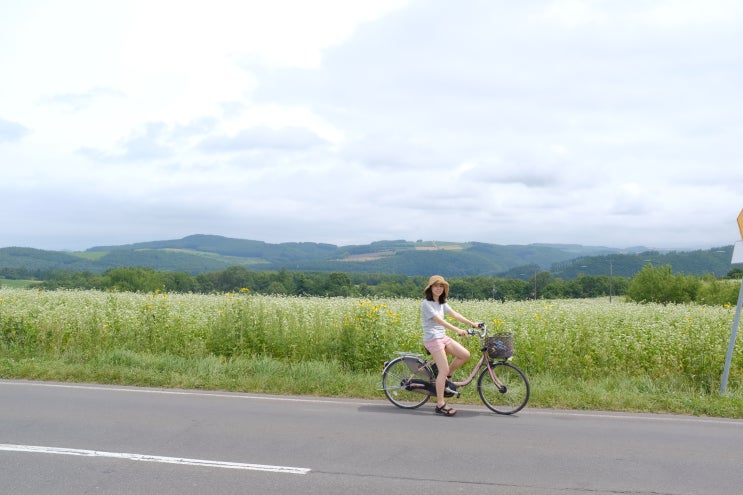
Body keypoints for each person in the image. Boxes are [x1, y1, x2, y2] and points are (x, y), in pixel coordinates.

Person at [421, 275, 480, 416]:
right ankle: (440, 404)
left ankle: (445, 377)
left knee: (464, 355)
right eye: (436, 286)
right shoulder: (426, 303)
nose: (438, 288)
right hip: (432, 339)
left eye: (441, 286)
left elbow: (455, 315)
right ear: (430, 288)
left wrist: (472, 324)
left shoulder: (442, 303)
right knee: (443, 370)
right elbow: (440, 321)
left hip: (442, 337)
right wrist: (457, 330)